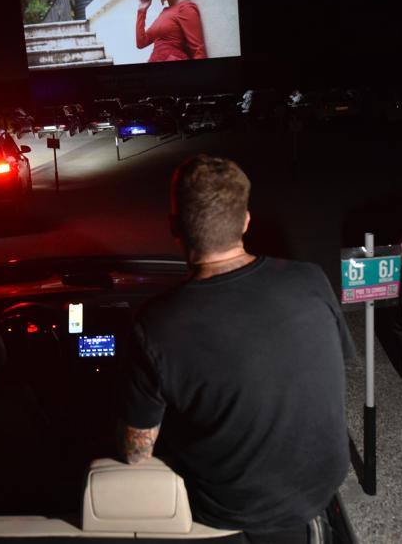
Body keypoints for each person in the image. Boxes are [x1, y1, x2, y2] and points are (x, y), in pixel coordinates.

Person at [119, 155, 354, 543]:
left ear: (174, 226)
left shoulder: (156, 323)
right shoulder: (310, 279)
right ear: (246, 221)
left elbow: (135, 453)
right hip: (320, 487)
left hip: (230, 506)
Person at [136, 0, 208, 62]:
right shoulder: (164, 12)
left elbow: (198, 51)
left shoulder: (185, 8)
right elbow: (141, 42)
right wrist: (141, 11)